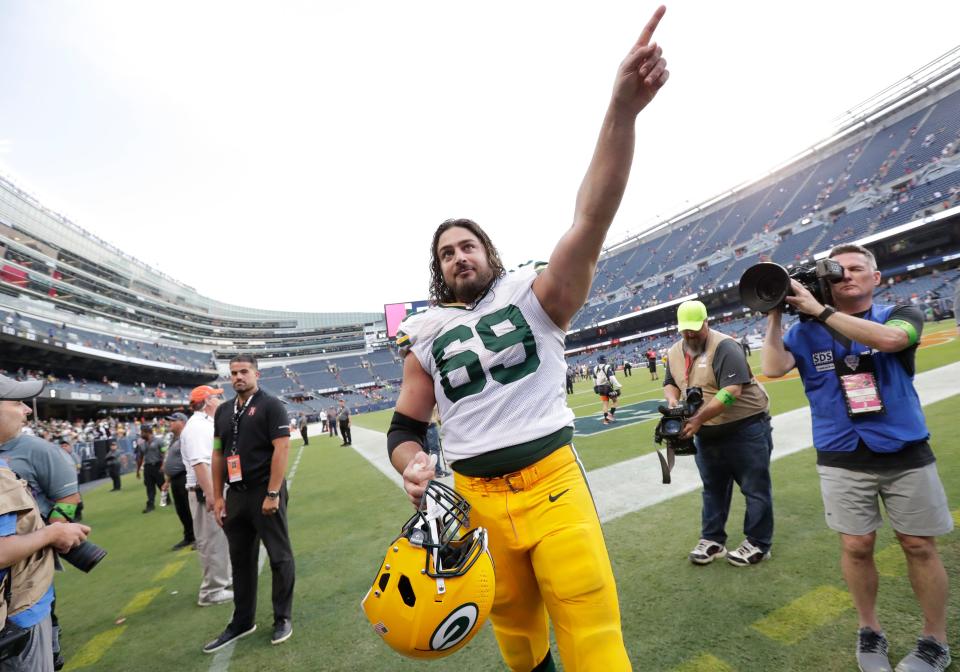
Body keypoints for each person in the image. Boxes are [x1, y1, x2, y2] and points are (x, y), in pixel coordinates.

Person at [388, 9, 669, 669]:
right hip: (475, 498)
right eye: (448, 251)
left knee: (594, 640)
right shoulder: (423, 331)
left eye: (468, 244)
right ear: (438, 268)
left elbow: (592, 215)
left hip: (552, 486)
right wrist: (412, 466)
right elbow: (404, 428)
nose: (459, 255)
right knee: (517, 644)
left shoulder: (532, 292)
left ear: (489, 251)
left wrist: (621, 111)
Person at [763, 243, 953, 672]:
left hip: (903, 448)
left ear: (875, 277)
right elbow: (773, 368)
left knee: (920, 546)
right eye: (837, 270)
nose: (845, 275)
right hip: (840, 451)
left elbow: (891, 342)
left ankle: (934, 639)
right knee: (855, 545)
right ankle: (870, 629)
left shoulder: (898, 312)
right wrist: (775, 311)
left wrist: (822, 310)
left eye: (856, 269)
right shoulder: (804, 331)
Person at [664, 300, 774, 567]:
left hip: (745, 427)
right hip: (707, 433)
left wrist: (699, 418)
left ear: (706, 322)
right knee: (712, 488)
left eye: (694, 328)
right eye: (685, 330)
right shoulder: (675, 352)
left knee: (754, 488)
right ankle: (713, 540)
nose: (690, 334)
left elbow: (732, 391)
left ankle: (758, 543)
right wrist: (673, 403)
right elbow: (670, 383)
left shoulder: (725, 346)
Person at [0, 375, 91, 672]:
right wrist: (53, 533)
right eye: (17, 402)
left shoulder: (37, 449)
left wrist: (55, 526)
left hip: (29, 578)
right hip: (15, 598)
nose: (27, 410)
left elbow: (68, 497)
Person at [204, 355, 294, 653]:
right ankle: (243, 621)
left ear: (256, 373)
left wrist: (272, 493)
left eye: (243, 371)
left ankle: (282, 617)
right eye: (233, 373)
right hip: (236, 494)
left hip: (263, 490)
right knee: (240, 560)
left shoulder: (271, 405)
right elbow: (218, 454)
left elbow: (282, 447)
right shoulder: (224, 411)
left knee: (279, 557)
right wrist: (217, 496)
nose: (238, 377)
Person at [180, 386, 232, 607]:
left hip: (212, 487)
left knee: (221, 539)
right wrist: (212, 495)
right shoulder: (197, 427)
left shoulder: (205, 424)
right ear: (208, 401)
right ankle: (211, 591)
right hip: (205, 491)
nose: (221, 399)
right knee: (212, 540)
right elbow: (200, 463)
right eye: (217, 396)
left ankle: (223, 581)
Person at [161, 412, 195, 552]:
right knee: (181, 510)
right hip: (175, 479)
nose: (170, 423)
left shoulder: (188, 436)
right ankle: (189, 536)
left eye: (173, 421)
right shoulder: (175, 439)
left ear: (181, 421)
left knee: (190, 509)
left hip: (185, 476)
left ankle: (198, 537)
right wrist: (167, 481)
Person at [135, 424, 165, 513]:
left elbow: (164, 453)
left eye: (142, 432)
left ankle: (166, 500)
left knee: (161, 484)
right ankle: (150, 505)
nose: (141, 434)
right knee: (149, 487)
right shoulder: (141, 445)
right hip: (147, 467)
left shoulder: (159, 441)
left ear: (147, 432)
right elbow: (140, 458)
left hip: (158, 465)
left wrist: (163, 465)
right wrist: (138, 470)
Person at [594, 354, 622, 425]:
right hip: (607, 387)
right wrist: (618, 385)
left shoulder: (594, 368)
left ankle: (606, 420)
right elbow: (612, 377)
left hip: (600, 388)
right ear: (605, 360)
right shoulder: (607, 366)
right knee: (615, 401)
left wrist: (595, 387)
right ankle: (610, 415)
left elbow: (594, 379)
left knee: (605, 404)